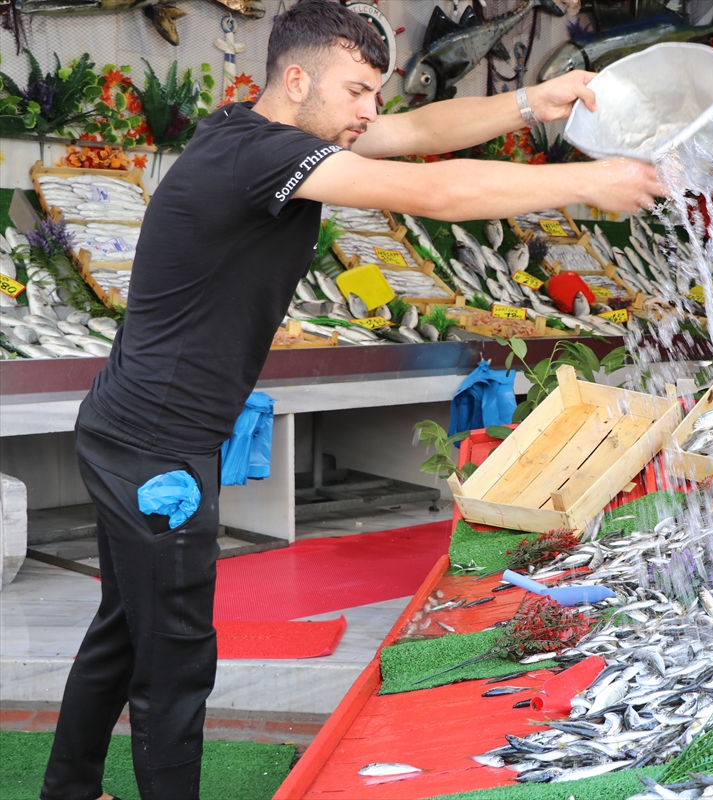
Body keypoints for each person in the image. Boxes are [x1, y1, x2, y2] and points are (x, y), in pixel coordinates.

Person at [39, 1, 661, 798]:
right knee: (175, 654)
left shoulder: (263, 131)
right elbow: (426, 191)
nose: (371, 112)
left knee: (127, 631)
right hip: (158, 450)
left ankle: (69, 788)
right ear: (296, 79)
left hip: (132, 428)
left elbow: (420, 134)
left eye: (376, 93)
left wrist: (526, 104)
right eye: (358, 91)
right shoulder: (263, 156)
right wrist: (593, 179)